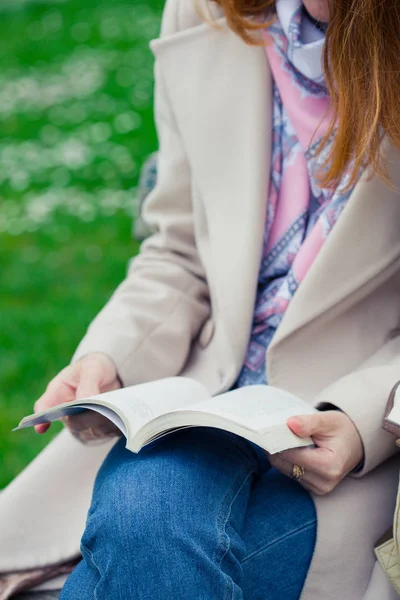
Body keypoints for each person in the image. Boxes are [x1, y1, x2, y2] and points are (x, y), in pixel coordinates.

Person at [1, 0, 400, 598]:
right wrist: (108, 355)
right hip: (204, 400)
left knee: (130, 566)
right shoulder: (208, 12)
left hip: (345, 433)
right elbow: (180, 249)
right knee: (145, 518)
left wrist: (363, 421)